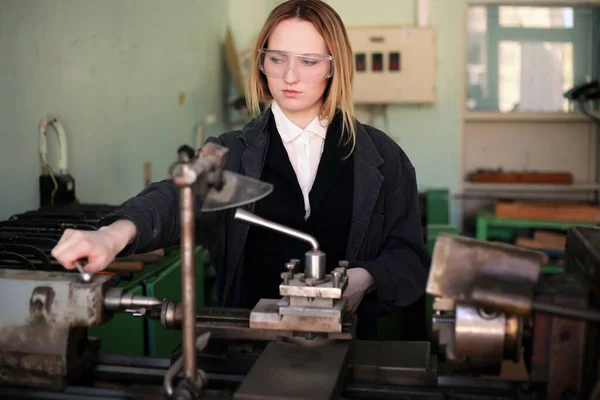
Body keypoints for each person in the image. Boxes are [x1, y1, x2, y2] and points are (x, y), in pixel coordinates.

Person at [51, 0, 431, 339]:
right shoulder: (233, 152)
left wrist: (366, 279)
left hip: (350, 348)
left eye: (309, 62)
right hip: (249, 347)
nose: (290, 76)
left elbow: (410, 257)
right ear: (262, 62)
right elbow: (175, 198)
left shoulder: (382, 157)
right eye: (277, 58)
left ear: (335, 67)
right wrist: (114, 235)